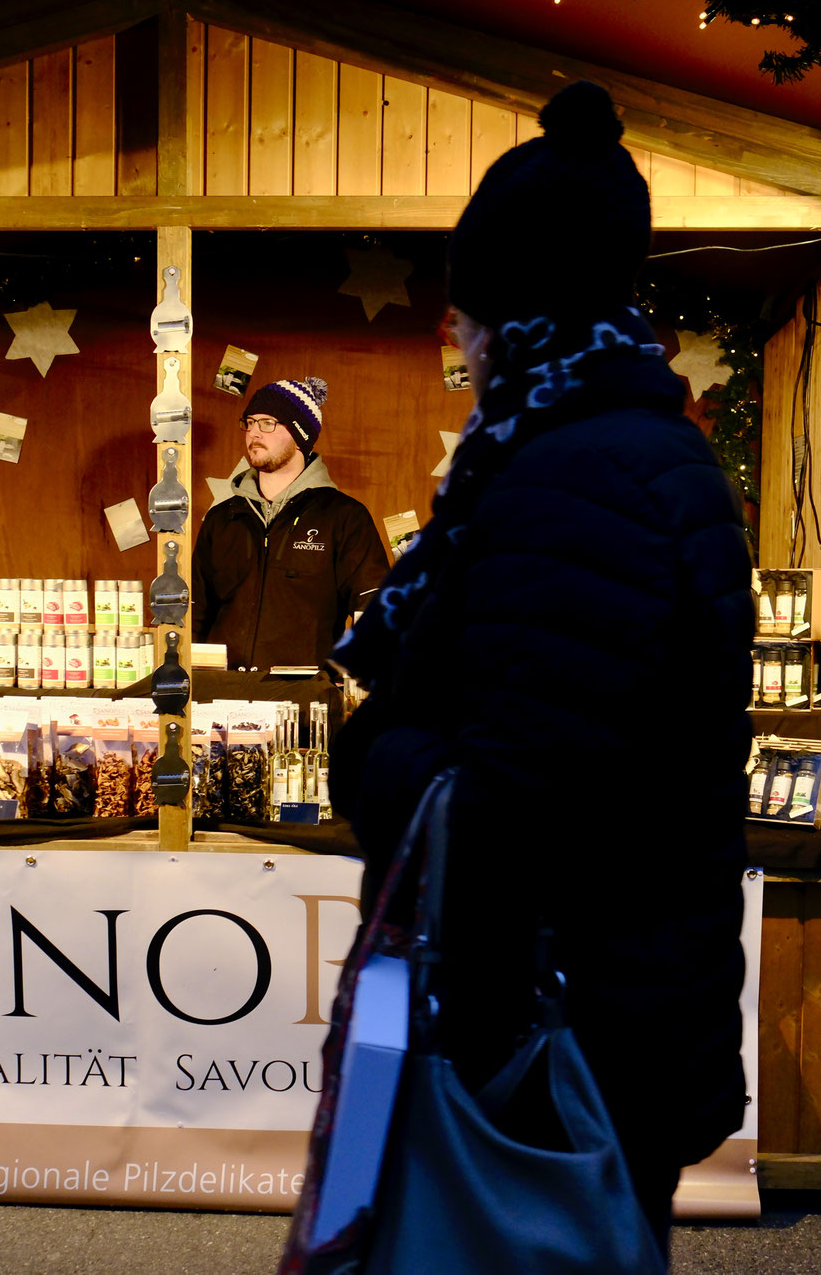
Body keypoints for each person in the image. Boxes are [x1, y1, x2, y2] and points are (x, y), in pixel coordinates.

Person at [325, 80, 754, 1259]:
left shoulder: (570, 475)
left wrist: (371, 753)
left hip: (561, 1018)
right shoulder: (624, 446)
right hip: (618, 1004)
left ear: (520, 316)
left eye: (467, 314)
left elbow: (522, 799)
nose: (454, 340)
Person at [193, 376, 392, 671]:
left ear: (299, 434)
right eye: (249, 422)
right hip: (219, 698)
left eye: (268, 423)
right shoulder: (222, 518)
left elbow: (373, 607)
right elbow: (194, 612)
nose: (253, 433)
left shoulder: (344, 517)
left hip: (302, 701)